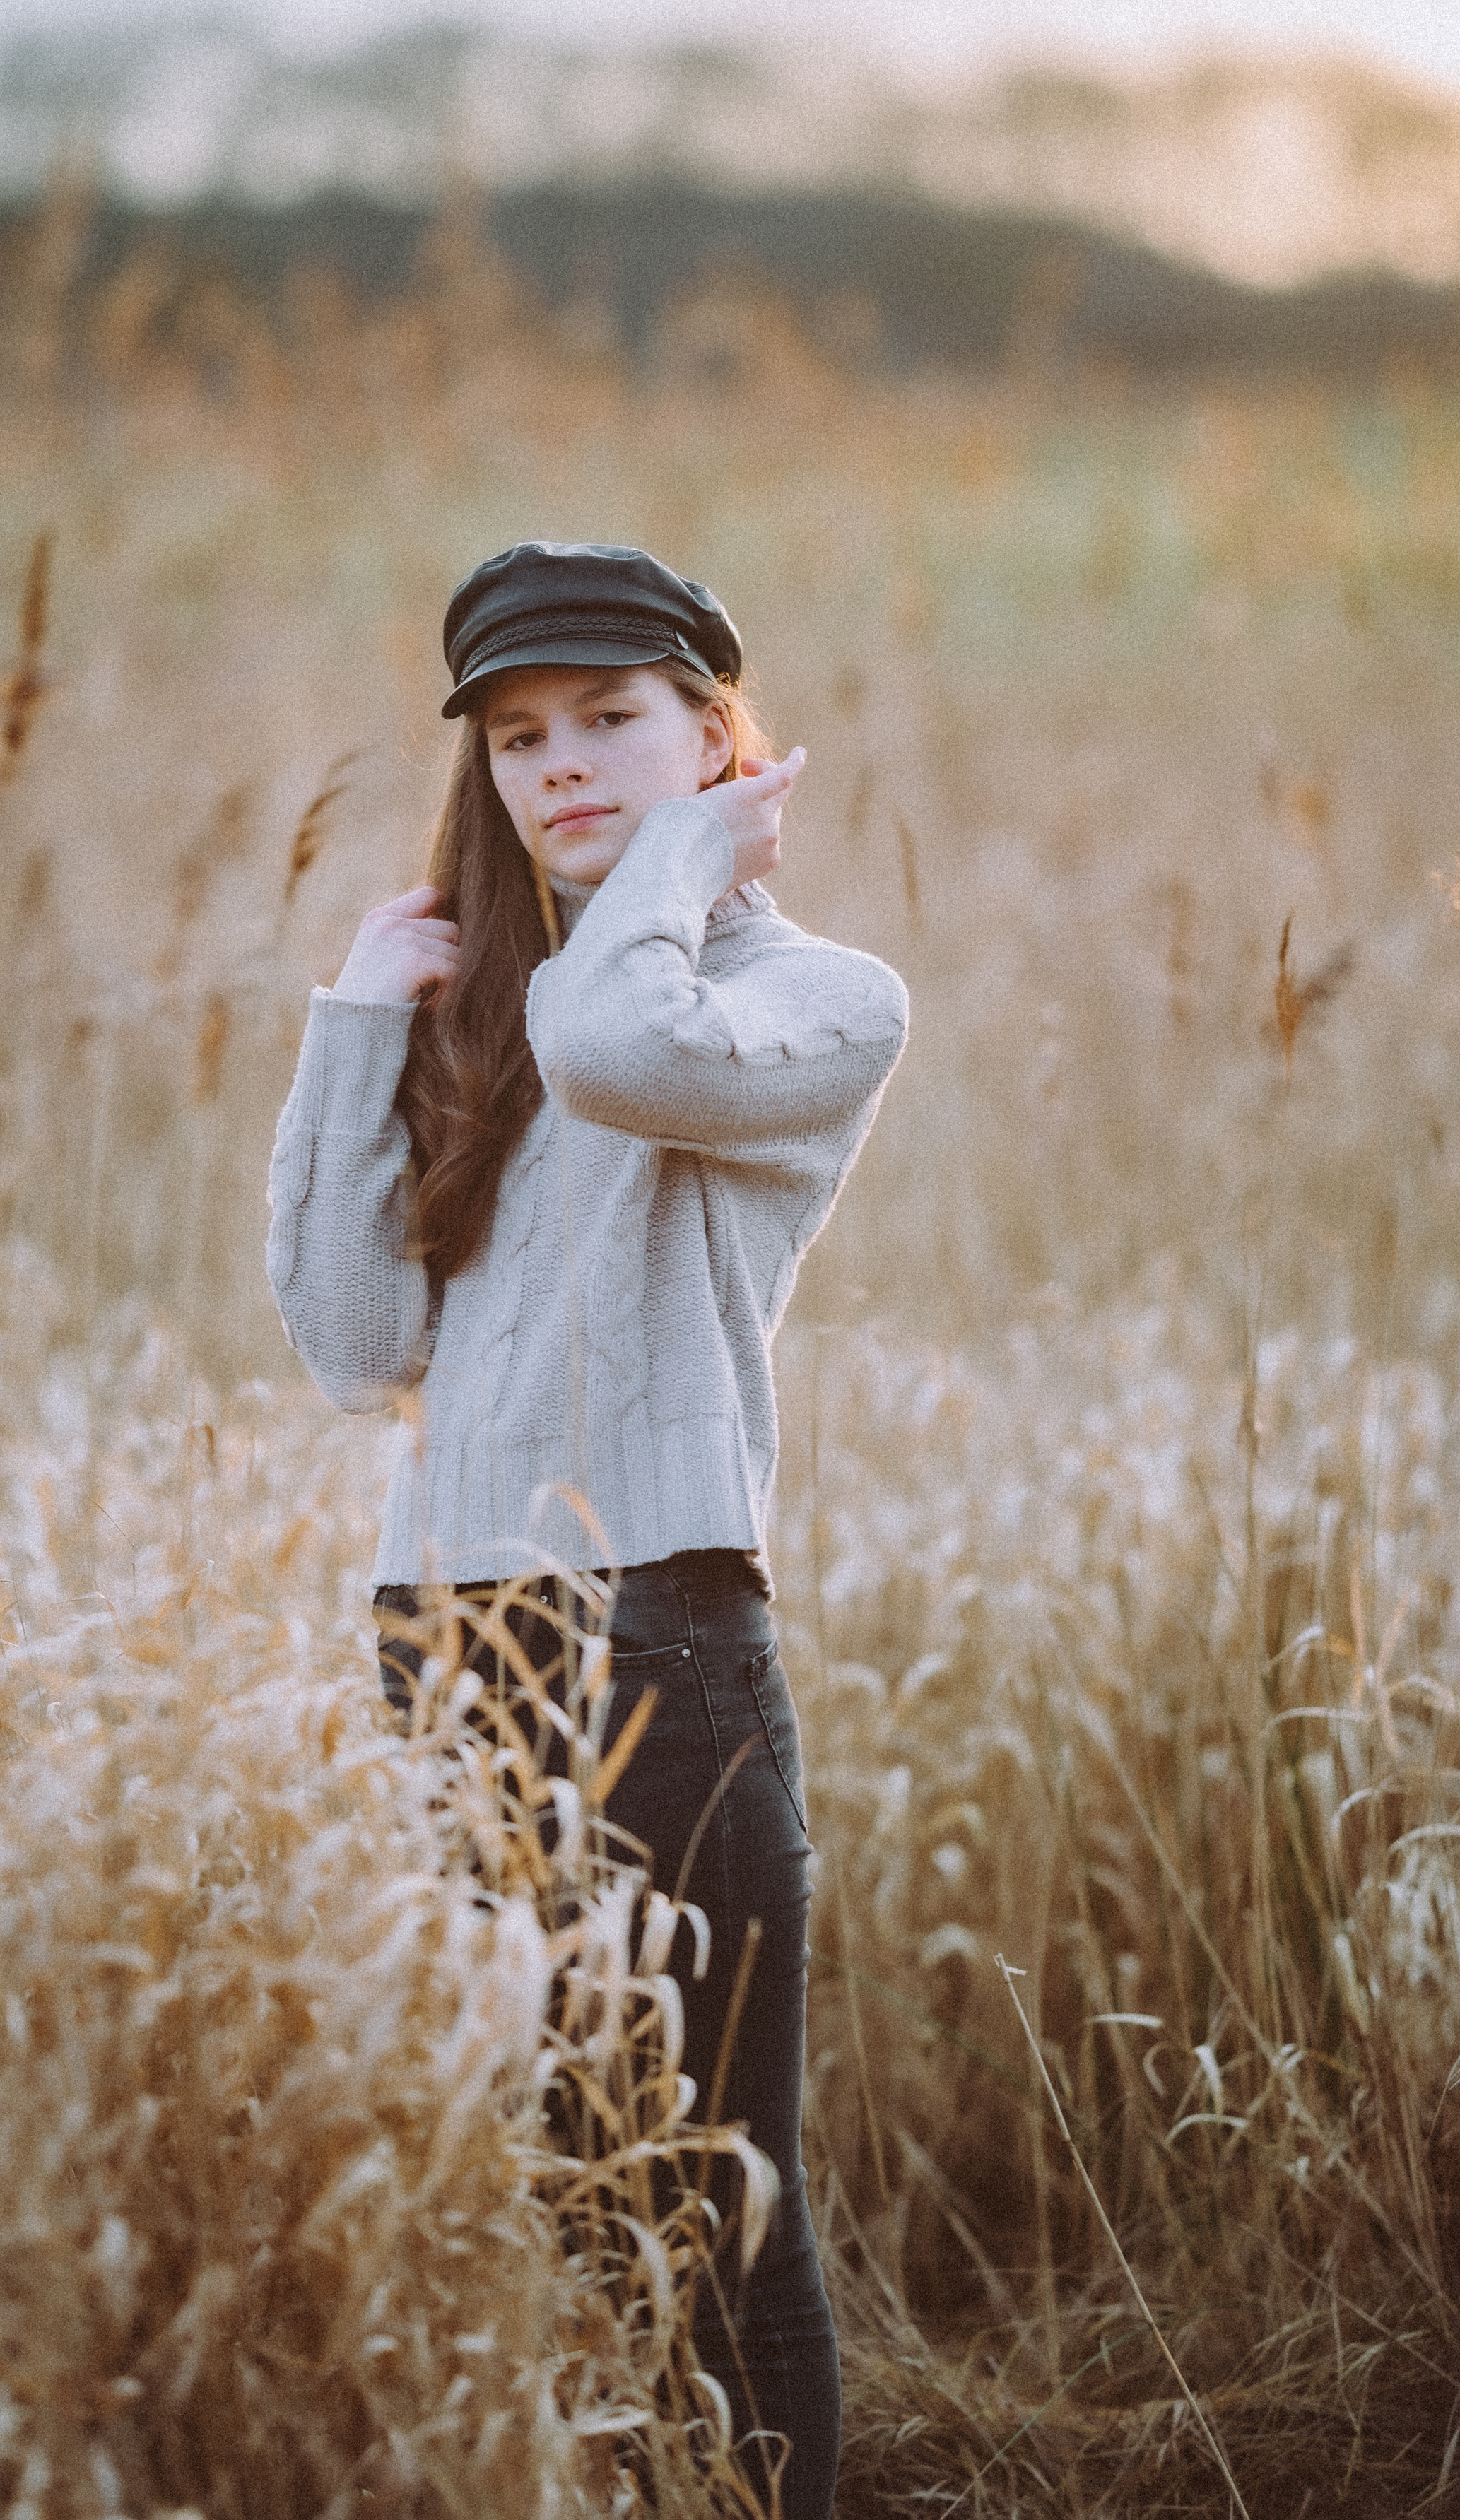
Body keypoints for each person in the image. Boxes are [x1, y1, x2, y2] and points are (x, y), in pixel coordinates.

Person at [266, 541, 908, 2519]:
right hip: (445, 1647)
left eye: (613, 719)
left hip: (661, 1645)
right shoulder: (491, 1023)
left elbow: (626, 1049)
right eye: (520, 737)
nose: (561, 768)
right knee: (553, 2189)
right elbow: (352, 1333)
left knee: (720, 2199)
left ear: (718, 737)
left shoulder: (808, 996)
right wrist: (361, 1022)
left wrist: (679, 871)